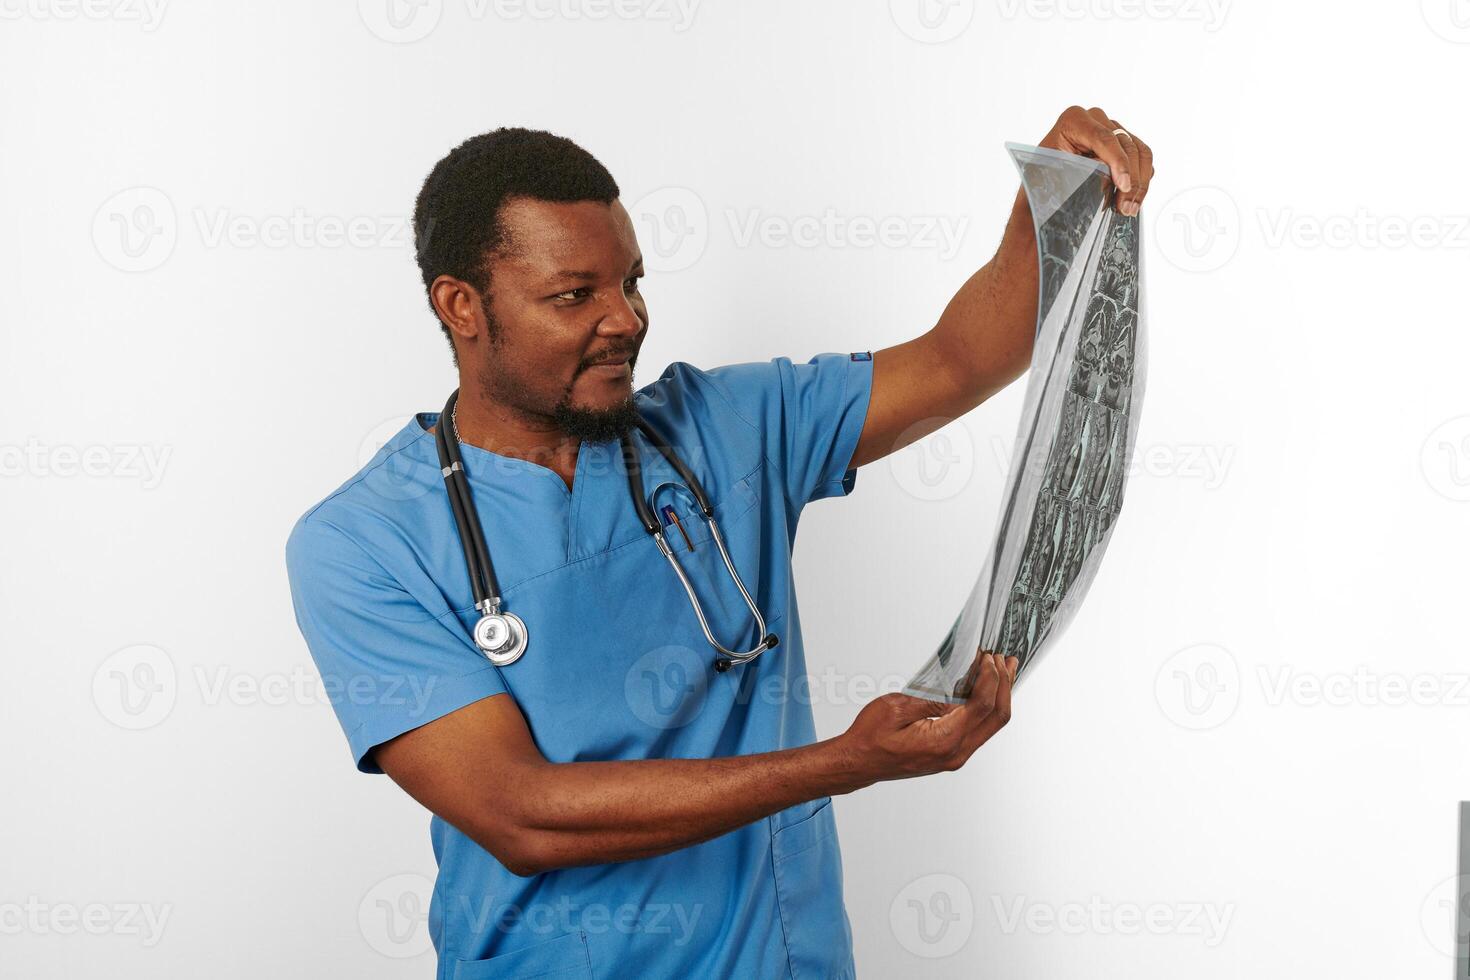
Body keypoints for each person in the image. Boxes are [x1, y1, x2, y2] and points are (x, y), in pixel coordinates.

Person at [286, 110, 1152, 978]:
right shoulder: (363, 544)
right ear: (459, 305)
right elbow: (522, 815)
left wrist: (1054, 193)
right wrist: (843, 764)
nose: (625, 319)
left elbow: (963, 359)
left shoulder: (729, 426)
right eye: (573, 295)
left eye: (632, 282)